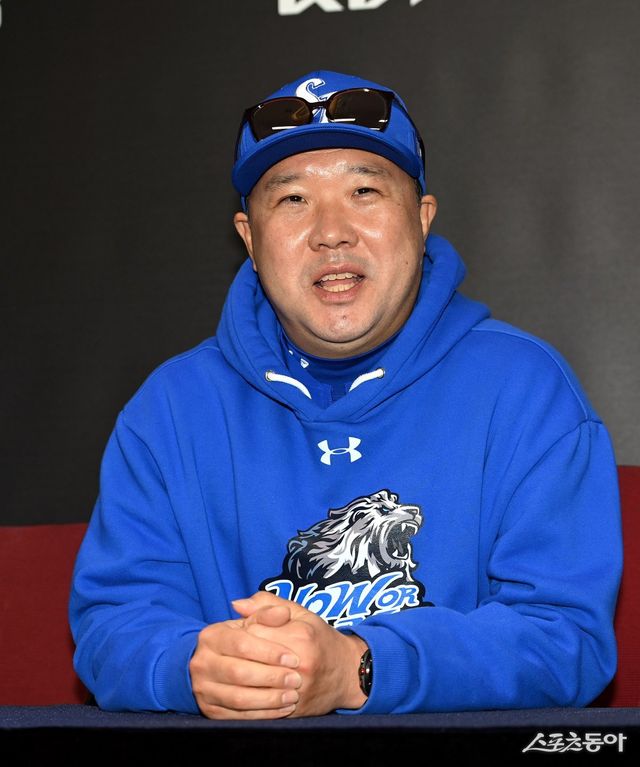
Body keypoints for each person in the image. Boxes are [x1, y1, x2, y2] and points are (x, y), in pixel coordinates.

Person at [69, 70, 622, 720]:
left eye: (364, 191)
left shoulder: (527, 389)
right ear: (249, 239)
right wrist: (189, 667)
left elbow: (566, 638)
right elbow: (113, 623)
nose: (331, 231)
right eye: (292, 199)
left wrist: (359, 666)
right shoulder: (170, 409)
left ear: (421, 220)